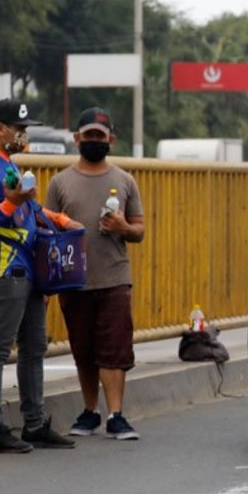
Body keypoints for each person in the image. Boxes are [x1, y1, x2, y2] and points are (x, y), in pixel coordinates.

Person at [0, 98, 82, 453]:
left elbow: (27, 205)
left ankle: (34, 423)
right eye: (19, 128)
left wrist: (58, 220)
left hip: (28, 267)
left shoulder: (7, 164)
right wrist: (10, 203)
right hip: (2, 268)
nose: (24, 134)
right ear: (0, 129)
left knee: (34, 346)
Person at [45, 107, 146, 440]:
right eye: (88, 136)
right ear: (76, 139)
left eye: (99, 136)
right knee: (83, 349)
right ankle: (90, 412)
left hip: (114, 277)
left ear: (111, 140)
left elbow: (140, 231)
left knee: (115, 349)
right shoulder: (60, 183)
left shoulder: (124, 180)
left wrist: (122, 226)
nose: (93, 141)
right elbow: (46, 228)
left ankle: (117, 414)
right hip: (73, 280)